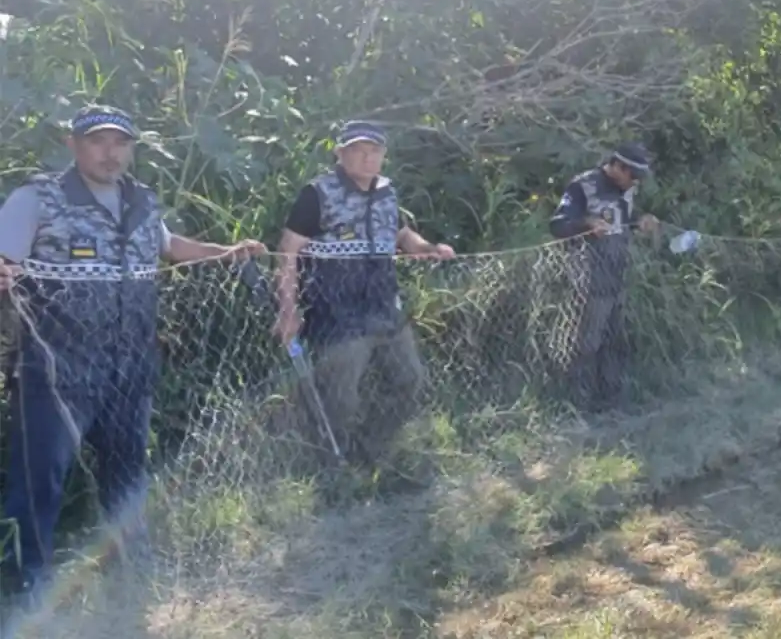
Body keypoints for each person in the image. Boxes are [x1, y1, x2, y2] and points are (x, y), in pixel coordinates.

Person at [0, 104, 265, 603]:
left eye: (121, 142)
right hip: (55, 369)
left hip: (129, 365)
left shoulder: (141, 201)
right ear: (73, 145)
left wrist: (225, 253)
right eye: (98, 141)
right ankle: (27, 580)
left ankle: (133, 564)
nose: (110, 152)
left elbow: (169, 246)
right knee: (39, 479)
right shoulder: (36, 198)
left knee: (127, 471)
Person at [274, 120, 453, 464]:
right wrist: (288, 308)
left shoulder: (386, 191)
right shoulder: (317, 193)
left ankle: (373, 449)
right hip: (335, 311)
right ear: (340, 154)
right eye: (357, 150)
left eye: (374, 151)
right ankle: (330, 465)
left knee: (409, 380)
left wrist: (425, 246)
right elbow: (287, 250)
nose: (367, 158)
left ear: (384, 155)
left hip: (384, 305)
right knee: (340, 399)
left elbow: (399, 233)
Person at [549, 142, 659, 413]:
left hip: (617, 275)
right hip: (587, 277)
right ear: (617, 166)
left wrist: (642, 222)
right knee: (587, 343)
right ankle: (577, 405)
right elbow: (557, 224)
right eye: (631, 175)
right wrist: (586, 224)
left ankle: (611, 401)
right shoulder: (582, 186)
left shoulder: (627, 189)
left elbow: (626, 220)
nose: (634, 182)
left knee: (615, 340)